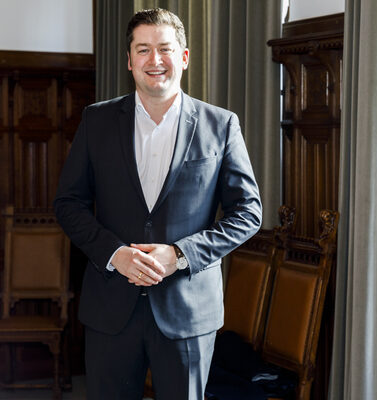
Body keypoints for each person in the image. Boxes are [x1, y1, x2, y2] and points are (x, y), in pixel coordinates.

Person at [54, 8, 262, 399]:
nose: (155, 60)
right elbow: (68, 203)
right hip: (110, 308)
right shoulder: (96, 121)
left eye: (164, 49)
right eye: (144, 49)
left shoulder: (221, 124)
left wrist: (179, 255)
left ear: (183, 57)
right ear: (130, 60)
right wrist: (115, 253)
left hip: (187, 311)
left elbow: (248, 213)